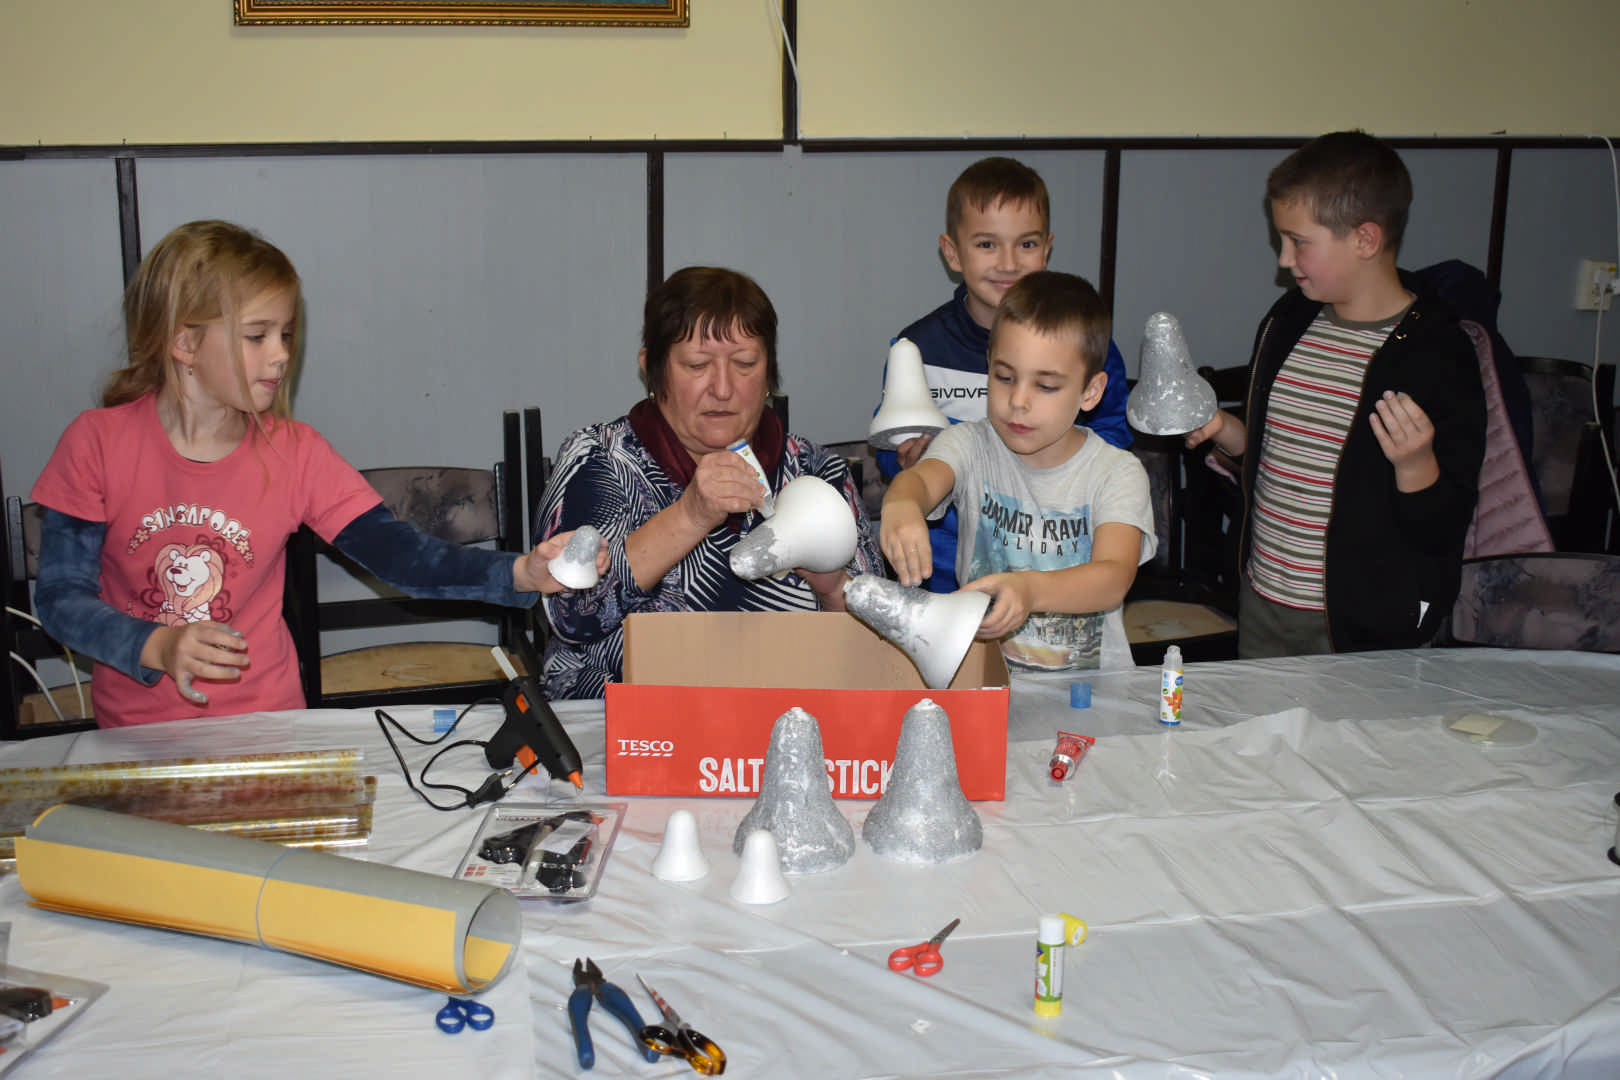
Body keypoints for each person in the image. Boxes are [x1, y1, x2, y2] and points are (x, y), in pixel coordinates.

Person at [30, 220, 602, 727]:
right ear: (184, 342)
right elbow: (60, 599)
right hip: (137, 735)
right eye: (257, 336)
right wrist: (155, 645)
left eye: (285, 334)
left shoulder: (295, 452)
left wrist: (521, 573)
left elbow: (403, 558)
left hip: (269, 726)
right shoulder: (96, 443)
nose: (281, 354)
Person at [1186, 131, 1486, 657]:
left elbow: (1444, 524)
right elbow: (1285, 456)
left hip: (1363, 628)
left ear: (1365, 240)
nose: (1285, 259)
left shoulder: (1437, 354)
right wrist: (1227, 430)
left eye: (1298, 241)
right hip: (1264, 602)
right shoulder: (1288, 322)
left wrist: (1416, 465)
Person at [536, 266, 883, 700]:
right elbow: (571, 614)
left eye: (745, 364)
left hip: (788, 720)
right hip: (618, 722)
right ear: (652, 369)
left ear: (770, 373)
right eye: (697, 365)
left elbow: (881, 651)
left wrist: (833, 588)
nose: (722, 388)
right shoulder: (601, 458)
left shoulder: (816, 471)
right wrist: (690, 515)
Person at [876, 156, 1134, 593]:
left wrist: (1048, 461)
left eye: (1026, 244)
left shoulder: (1085, 345)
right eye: (987, 244)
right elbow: (889, 440)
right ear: (952, 253)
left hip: (1057, 564)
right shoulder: (918, 349)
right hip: (945, 571)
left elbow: (1112, 434)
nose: (1009, 263)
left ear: (1047, 248)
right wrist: (904, 459)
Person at [882, 270, 1154, 673]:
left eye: (1046, 386)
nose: (1018, 401)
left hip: (1090, 691)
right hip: (987, 677)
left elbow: (1113, 577)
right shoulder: (970, 445)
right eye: (1005, 377)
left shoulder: (1116, 473)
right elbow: (921, 480)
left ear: (1091, 391)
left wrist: (1030, 590)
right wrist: (901, 503)